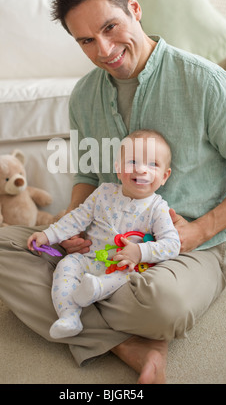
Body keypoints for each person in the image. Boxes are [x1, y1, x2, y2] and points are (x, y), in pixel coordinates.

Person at [0, 0, 226, 384]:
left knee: (164, 305)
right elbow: (86, 173)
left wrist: (195, 233)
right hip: (100, 244)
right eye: (86, 40)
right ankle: (129, 342)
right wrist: (70, 227)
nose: (103, 49)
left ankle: (82, 309)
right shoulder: (85, 95)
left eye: (110, 27)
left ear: (134, 8)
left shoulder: (208, 84)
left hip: (184, 249)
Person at [27, 130, 180, 339]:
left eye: (153, 164)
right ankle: (69, 316)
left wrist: (140, 251)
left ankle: (94, 290)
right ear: (118, 168)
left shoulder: (157, 208)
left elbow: (172, 244)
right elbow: (76, 218)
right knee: (66, 265)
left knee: (128, 276)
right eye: (132, 161)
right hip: (91, 258)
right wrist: (47, 235)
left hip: (123, 267)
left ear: (164, 176)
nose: (142, 169)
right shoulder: (103, 193)